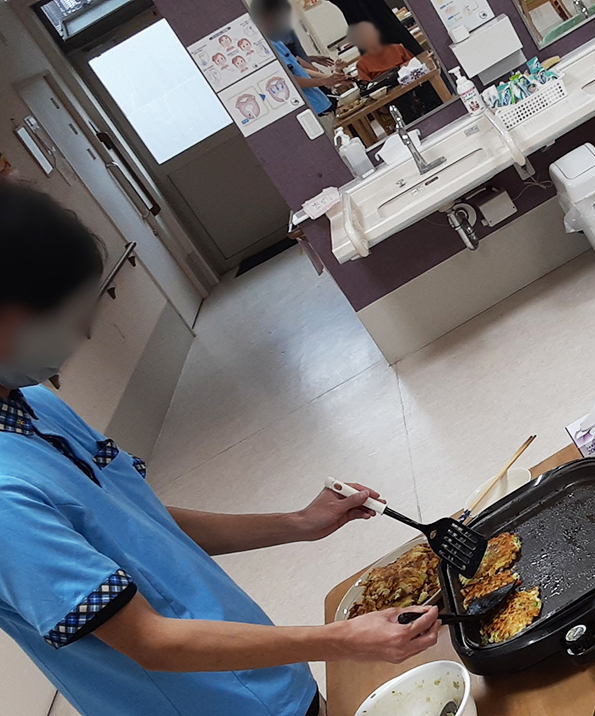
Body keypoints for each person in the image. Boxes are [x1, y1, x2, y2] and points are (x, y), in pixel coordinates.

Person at [0, 183, 440, 715]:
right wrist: (341, 640)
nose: (85, 331)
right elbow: (148, 641)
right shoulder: (6, 500)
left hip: (265, 674)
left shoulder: (32, 405)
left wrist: (299, 523)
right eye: (65, 313)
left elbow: (141, 524)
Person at [252, 0, 347, 117]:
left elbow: (297, 62)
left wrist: (329, 75)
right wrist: (325, 79)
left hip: (319, 97)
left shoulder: (277, 39)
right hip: (308, 104)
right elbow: (288, 77)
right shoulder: (266, 46)